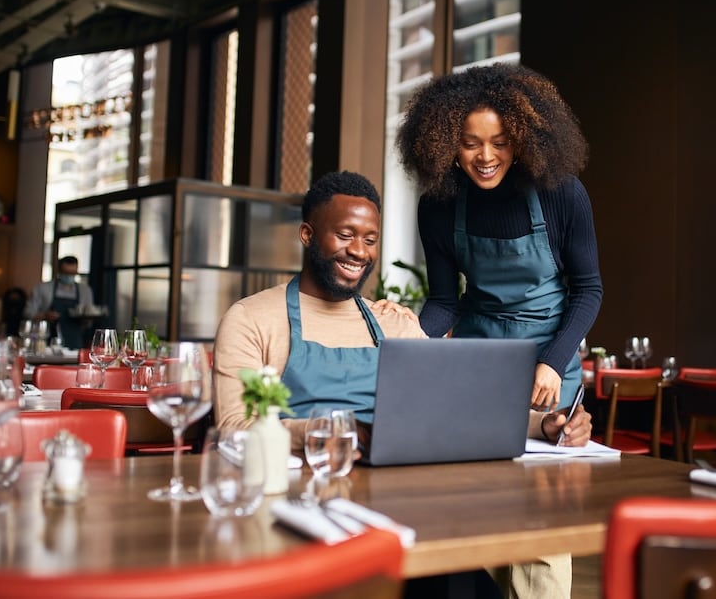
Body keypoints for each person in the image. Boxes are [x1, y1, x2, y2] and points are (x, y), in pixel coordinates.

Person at [213, 171, 590, 599]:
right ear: (307, 234)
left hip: (403, 516)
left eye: (370, 239)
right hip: (300, 516)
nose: (358, 251)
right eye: (344, 235)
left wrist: (545, 425)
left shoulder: (395, 322)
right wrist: (332, 433)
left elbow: (458, 413)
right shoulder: (251, 320)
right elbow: (234, 432)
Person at [393, 63, 603, 414]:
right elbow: (444, 303)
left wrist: (553, 362)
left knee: (547, 463)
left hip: (549, 358)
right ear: (447, 145)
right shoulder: (438, 206)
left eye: (500, 143)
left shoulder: (562, 193)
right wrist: (408, 337)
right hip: (476, 355)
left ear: (521, 141)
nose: (486, 157)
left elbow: (588, 289)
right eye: (470, 144)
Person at [24, 255, 95, 350]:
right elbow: (27, 313)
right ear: (59, 271)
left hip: (75, 341)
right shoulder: (42, 289)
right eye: (66, 273)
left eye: (73, 273)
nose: (70, 276)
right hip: (47, 341)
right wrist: (45, 315)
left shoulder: (85, 291)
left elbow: (89, 321)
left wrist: (86, 318)